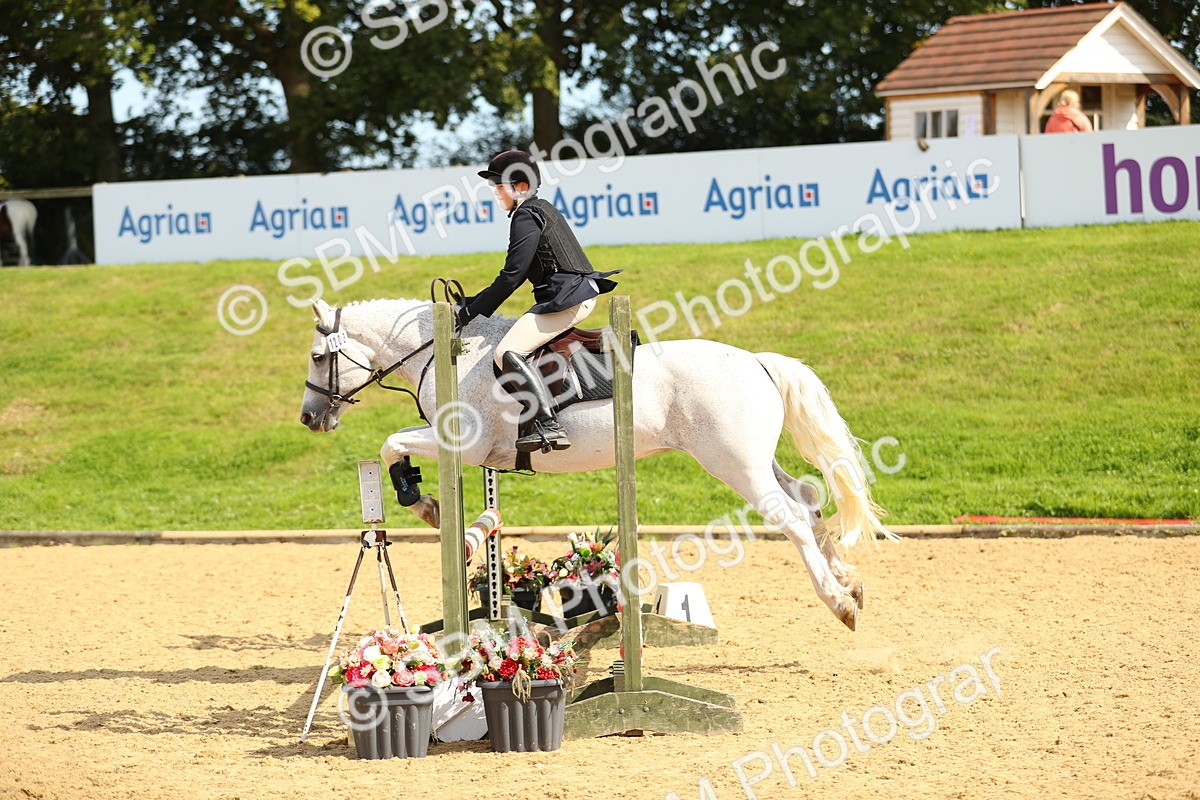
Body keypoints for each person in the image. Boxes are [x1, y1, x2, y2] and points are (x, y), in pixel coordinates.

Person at [458, 150, 620, 453]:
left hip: (568, 299)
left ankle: (548, 424)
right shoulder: (539, 209)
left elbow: (512, 276)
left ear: (520, 187)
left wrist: (469, 312)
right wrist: (474, 301)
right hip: (571, 294)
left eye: (499, 186)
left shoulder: (525, 215)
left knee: (506, 351)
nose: (495, 194)